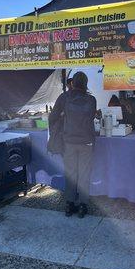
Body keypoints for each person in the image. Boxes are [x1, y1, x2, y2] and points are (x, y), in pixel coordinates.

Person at [49, 71, 96, 218]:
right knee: (84, 174)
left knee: (71, 173)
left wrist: (59, 126)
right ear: (86, 84)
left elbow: (53, 117)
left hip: (69, 142)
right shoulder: (92, 99)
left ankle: (69, 205)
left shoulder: (64, 97)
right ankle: (82, 206)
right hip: (87, 142)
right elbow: (91, 118)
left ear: (72, 83)